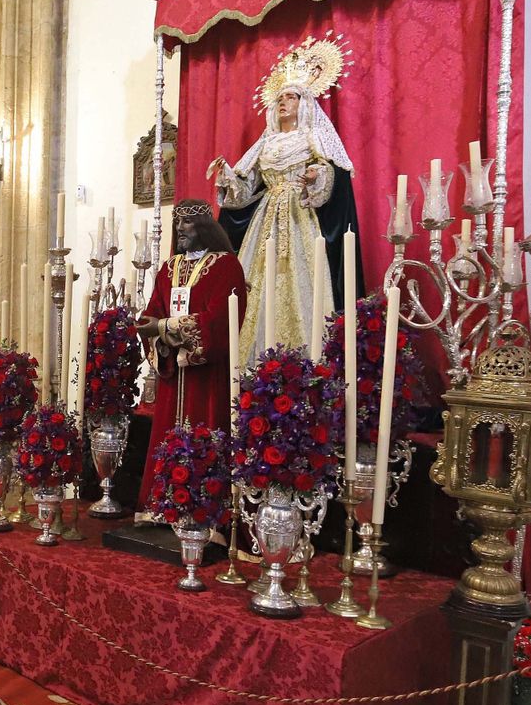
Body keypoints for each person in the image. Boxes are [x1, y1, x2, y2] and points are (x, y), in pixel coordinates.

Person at [207, 36, 361, 358]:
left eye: (291, 97)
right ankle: (253, 358)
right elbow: (247, 188)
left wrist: (318, 176)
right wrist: (228, 176)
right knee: (257, 282)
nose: (283, 102)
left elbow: (335, 173)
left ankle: (306, 358)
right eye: (280, 98)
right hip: (265, 219)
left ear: (304, 103)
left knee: (302, 280)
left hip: (300, 215)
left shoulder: (313, 136)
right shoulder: (267, 143)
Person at [134, 200, 247, 512]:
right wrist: (150, 329)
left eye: (187, 222)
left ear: (205, 227)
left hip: (207, 378)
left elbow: (220, 320)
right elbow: (154, 309)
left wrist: (165, 326)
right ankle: (163, 505)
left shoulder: (226, 266)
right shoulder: (169, 268)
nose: (180, 229)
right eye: (178, 222)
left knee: (205, 435)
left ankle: (205, 511)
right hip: (175, 374)